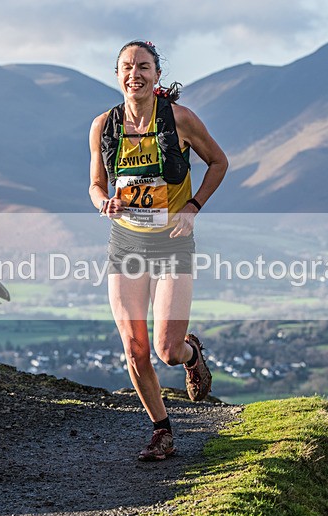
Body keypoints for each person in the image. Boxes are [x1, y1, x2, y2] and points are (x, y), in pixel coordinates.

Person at [88, 40, 228, 461]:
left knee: (167, 350)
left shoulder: (180, 120)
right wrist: (103, 202)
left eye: (144, 66)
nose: (136, 74)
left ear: (157, 75)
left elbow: (218, 162)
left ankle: (192, 353)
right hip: (127, 241)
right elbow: (95, 184)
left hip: (171, 242)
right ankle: (161, 430)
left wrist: (192, 207)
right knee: (135, 349)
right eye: (127, 67)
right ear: (117, 75)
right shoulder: (103, 126)